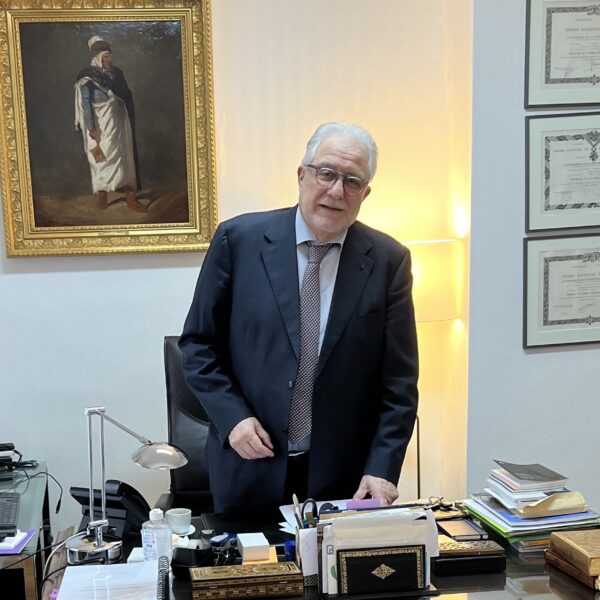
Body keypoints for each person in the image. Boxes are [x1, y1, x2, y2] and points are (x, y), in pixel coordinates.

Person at [179, 122, 418, 513]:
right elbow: (199, 346)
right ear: (302, 174)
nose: (336, 191)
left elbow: (399, 385)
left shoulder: (388, 261)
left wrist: (383, 468)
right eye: (326, 173)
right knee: (253, 576)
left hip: (344, 480)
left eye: (352, 181)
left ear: (365, 193)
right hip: (248, 465)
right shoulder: (238, 242)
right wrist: (233, 419)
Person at [74, 36, 145, 213]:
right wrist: (90, 127)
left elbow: (126, 94)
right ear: (98, 58)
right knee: (99, 158)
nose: (109, 60)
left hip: (118, 124)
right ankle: (102, 194)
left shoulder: (117, 73)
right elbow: (85, 103)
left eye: (109, 56)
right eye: (105, 57)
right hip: (98, 124)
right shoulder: (87, 77)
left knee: (122, 158)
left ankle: (129, 196)